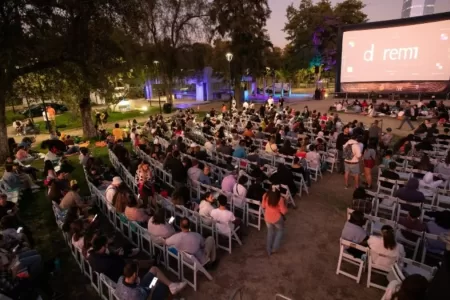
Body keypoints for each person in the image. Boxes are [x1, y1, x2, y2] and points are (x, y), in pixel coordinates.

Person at [114, 262, 187, 300]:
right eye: (137, 271)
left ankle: (172, 286)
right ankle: (173, 295)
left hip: (138, 288)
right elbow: (149, 295)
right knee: (161, 285)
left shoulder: (121, 279)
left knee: (154, 269)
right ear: (134, 274)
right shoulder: (135, 294)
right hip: (146, 295)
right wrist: (154, 283)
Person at [261, 185, 288, 256]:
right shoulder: (280, 199)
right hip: (277, 218)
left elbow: (263, 206)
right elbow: (284, 211)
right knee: (280, 231)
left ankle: (268, 249)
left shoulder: (265, 195)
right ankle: (274, 248)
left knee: (270, 232)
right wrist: (286, 201)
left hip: (267, 217)